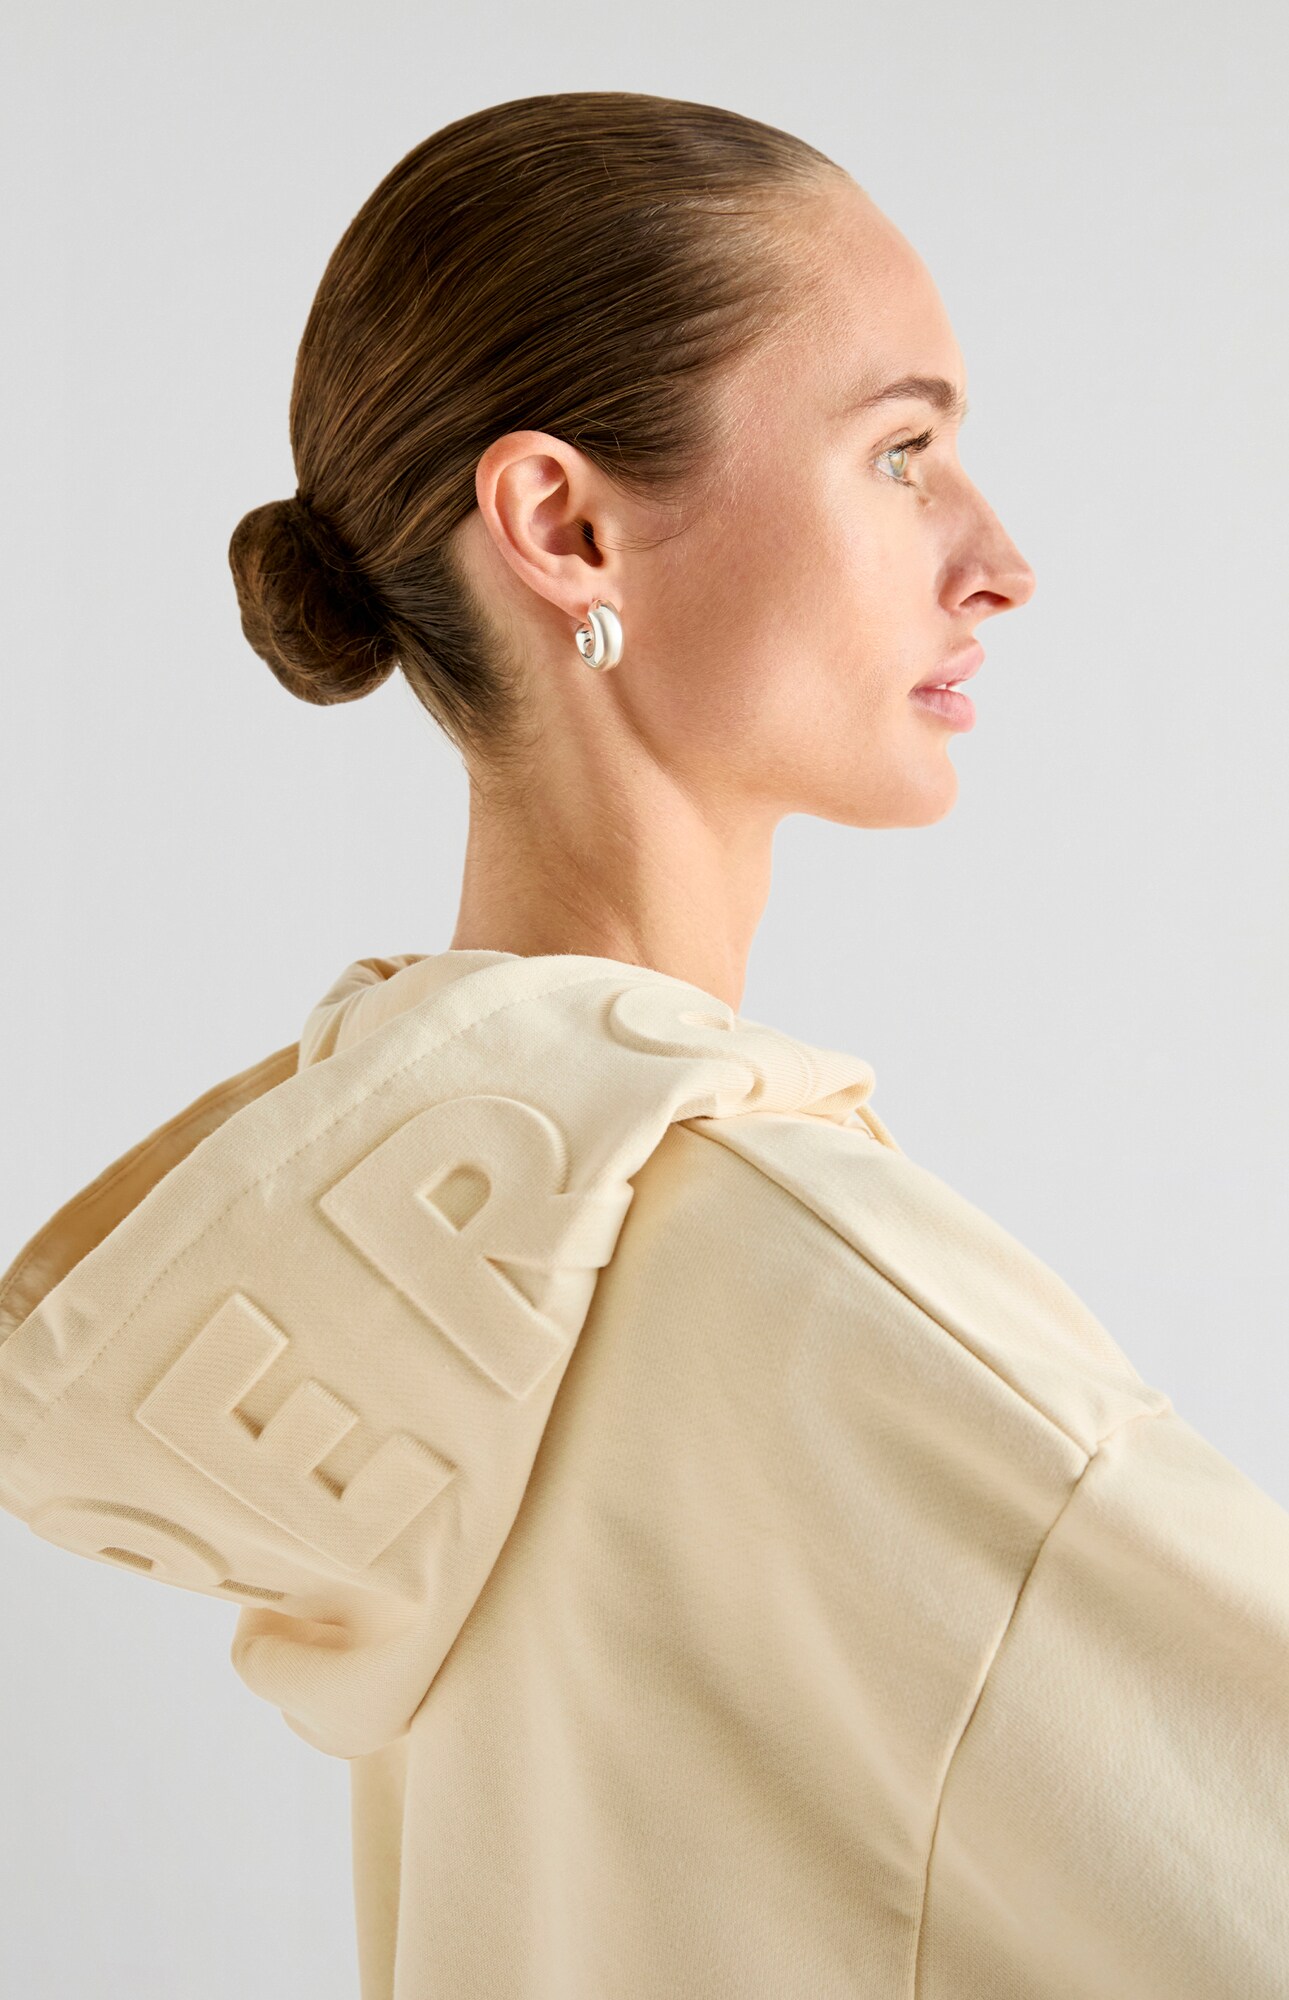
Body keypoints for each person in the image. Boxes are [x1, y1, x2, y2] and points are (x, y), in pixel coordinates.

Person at [1, 89, 1286, 2000]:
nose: (997, 558)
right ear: (565, 525)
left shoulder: (412, 1271)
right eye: (901, 451)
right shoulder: (809, 1287)